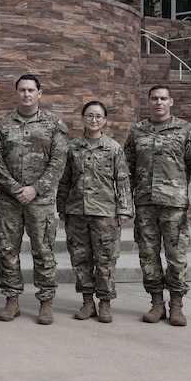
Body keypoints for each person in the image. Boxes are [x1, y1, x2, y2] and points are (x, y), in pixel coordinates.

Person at [124, 85, 191, 326]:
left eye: (163, 98)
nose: (158, 102)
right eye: (154, 98)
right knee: (148, 256)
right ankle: (156, 303)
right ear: (148, 101)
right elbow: (126, 171)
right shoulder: (137, 131)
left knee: (176, 257)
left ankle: (176, 305)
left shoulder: (186, 130)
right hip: (145, 205)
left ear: (171, 101)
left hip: (175, 205)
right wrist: (125, 202)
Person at [0, 73, 69, 325]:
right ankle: (11, 300)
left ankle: (46, 302)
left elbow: (59, 162)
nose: (26, 94)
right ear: (16, 93)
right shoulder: (2, 124)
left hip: (41, 201)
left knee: (44, 251)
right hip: (9, 200)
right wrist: (14, 187)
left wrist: (36, 188)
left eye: (31, 90)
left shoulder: (54, 124)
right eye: (22, 90)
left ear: (39, 93)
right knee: (7, 250)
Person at [57, 101, 132, 324]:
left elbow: (122, 181)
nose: (94, 120)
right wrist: (61, 207)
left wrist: (124, 209)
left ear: (105, 120)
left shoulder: (113, 148)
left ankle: (105, 303)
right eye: (89, 115)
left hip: (105, 213)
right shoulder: (72, 147)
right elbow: (65, 180)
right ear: (83, 119)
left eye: (98, 116)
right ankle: (87, 302)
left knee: (106, 260)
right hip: (77, 211)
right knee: (80, 259)